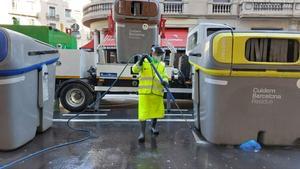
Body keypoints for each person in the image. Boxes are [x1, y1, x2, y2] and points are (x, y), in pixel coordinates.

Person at [132, 46, 169, 143]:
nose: (159, 56)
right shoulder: (144, 62)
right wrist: (140, 61)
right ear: (152, 54)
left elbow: (165, 76)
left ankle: (153, 127)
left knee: (155, 112)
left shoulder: (162, 65)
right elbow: (135, 70)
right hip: (145, 92)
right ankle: (142, 133)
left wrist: (165, 81)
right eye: (158, 54)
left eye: (161, 55)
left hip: (156, 92)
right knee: (143, 113)